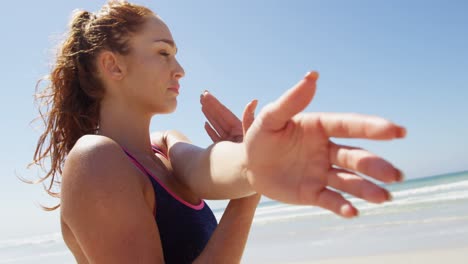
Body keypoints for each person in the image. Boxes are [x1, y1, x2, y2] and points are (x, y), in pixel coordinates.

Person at [30, 1, 406, 263]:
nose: (179, 69)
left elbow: (212, 168)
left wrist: (253, 161)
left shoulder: (164, 147)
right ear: (113, 65)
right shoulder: (95, 160)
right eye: (163, 53)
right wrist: (248, 197)